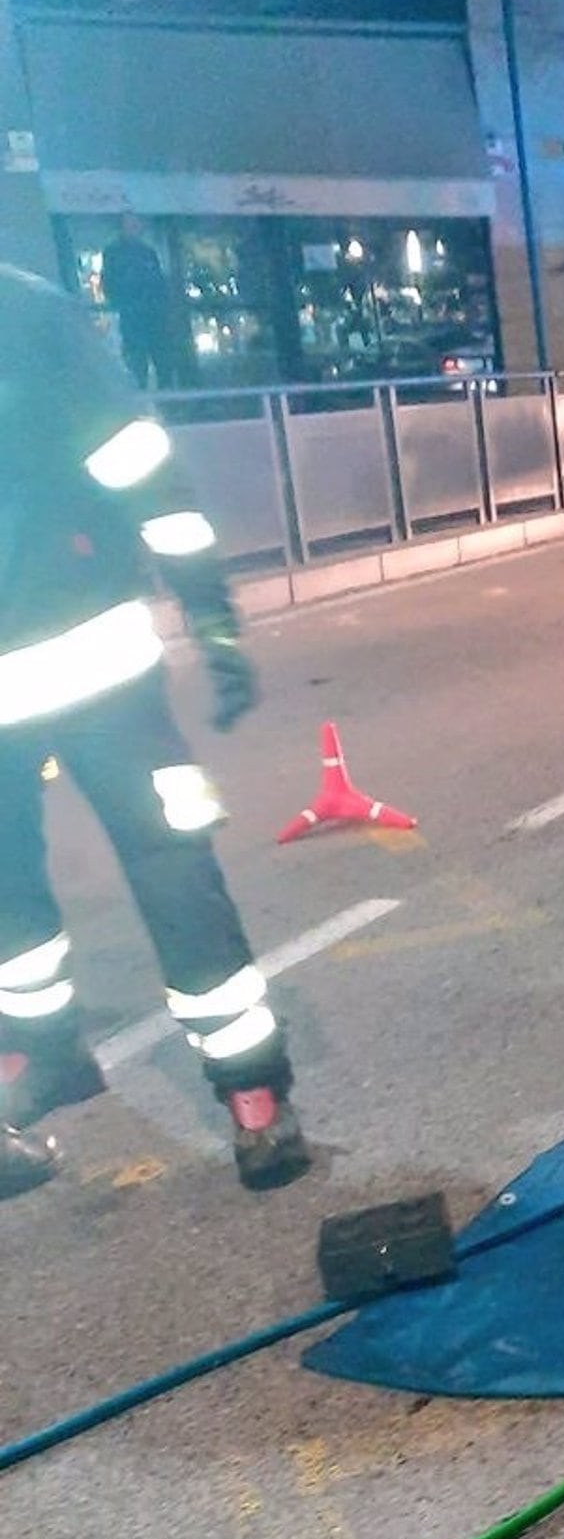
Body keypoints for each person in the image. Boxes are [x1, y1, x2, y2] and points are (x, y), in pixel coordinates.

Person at [0, 264, 311, 1197]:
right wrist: (212, 620)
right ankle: (253, 1101)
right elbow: (143, 471)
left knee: (6, 888)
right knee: (170, 863)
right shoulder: (29, 309)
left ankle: (35, 1060)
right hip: (96, 658)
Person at [98, 215, 176, 391]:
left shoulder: (147, 252)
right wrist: (125, 303)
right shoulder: (113, 253)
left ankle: (167, 402)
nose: (135, 227)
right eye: (130, 224)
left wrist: (161, 306)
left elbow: (159, 282)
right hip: (133, 318)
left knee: (163, 362)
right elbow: (110, 284)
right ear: (122, 227)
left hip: (155, 318)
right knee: (137, 364)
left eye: (137, 224)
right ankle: (141, 403)